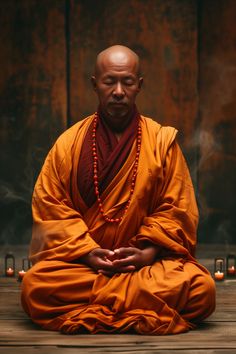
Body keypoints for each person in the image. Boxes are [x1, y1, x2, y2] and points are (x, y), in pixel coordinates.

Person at [21, 45, 215, 335]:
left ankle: (100, 303)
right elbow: (51, 208)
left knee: (203, 290)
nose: (119, 91)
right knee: (35, 286)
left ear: (140, 85)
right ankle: (138, 303)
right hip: (86, 264)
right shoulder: (68, 143)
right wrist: (88, 253)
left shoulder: (161, 142)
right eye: (110, 81)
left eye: (128, 82)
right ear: (95, 84)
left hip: (142, 265)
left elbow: (176, 210)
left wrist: (147, 253)